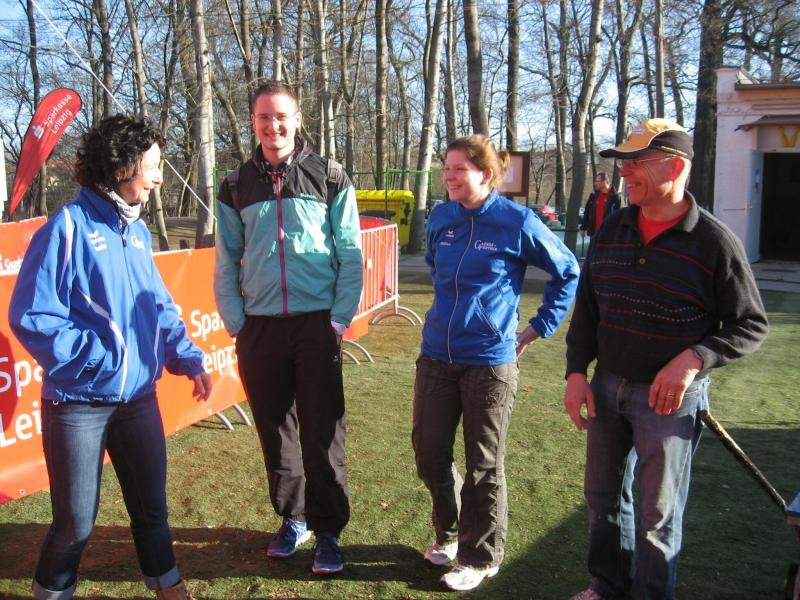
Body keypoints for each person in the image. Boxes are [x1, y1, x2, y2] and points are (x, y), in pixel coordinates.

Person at [563, 118, 769, 600]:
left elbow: (751, 324)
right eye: (623, 163)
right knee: (601, 500)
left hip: (670, 400)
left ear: (675, 168)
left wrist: (695, 357)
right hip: (608, 386)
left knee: (658, 514)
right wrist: (575, 373)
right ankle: (608, 586)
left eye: (636, 162)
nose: (625, 172)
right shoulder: (612, 228)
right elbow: (588, 310)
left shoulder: (715, 242)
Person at [8, 115, 212, 600]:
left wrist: (188, 358)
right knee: (75, 524)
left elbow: (157, 305)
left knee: (151, 510)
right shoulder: (67, 228)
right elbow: (32, 315)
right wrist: (98, 359)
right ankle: (51, 593)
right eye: (153, 166)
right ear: (122, 167)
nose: (159, 178)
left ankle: (168, 586)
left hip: (138, 400)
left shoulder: (137, 232)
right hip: (78, 404)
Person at [413, 134, 580, 592]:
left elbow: (567, 271)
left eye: (458, 169)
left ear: (485, 175)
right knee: (429, 454)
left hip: (489, 361)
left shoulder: (516, 221)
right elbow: (436, 267)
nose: (448, 177)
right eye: (446, 168)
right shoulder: (442, 217)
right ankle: (448, 533)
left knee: (483, 464)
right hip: (436, 355)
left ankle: (480, 556)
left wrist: (539, 326)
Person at [213, 80, 362, 574]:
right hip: (259, 328)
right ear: (252, 122)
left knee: (323, 431)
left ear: (297, 120)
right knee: (275, 431)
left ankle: (328, 530)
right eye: (263, 117)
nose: (272, 126)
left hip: (317, 325)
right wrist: (236, 321)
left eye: (281, 117)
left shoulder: (331, 176)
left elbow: (350, 252)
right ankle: (292, 518)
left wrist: (338, 318)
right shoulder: (235, 184)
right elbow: (226, 257)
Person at [579, 172, 620, 238]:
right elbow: (587, 212)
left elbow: (620, 217)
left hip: (609, 235)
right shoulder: (593, 195)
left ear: (604, 182)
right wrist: (583, 228)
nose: (595, 183)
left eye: (597, 181)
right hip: (594, 234)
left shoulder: (616, 197)